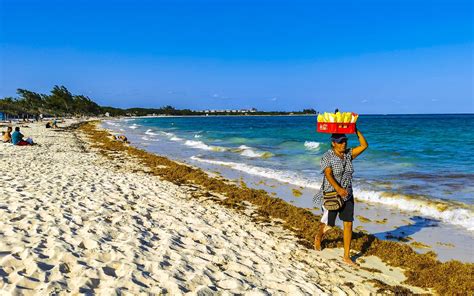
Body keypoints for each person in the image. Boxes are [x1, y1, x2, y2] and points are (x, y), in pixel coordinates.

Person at [313, 129, 368, 266]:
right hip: (331, 194)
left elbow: (364, 145)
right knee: (329, 225)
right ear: (333, 143)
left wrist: (355, 130)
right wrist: (338, 189)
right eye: (340, 142)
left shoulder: (348, 155)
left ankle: (346, 256)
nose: (343, 144)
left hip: (347, 194)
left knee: (348, 224)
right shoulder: (327, 156)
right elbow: (328, 174)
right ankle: (319, 236)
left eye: (344, 141)